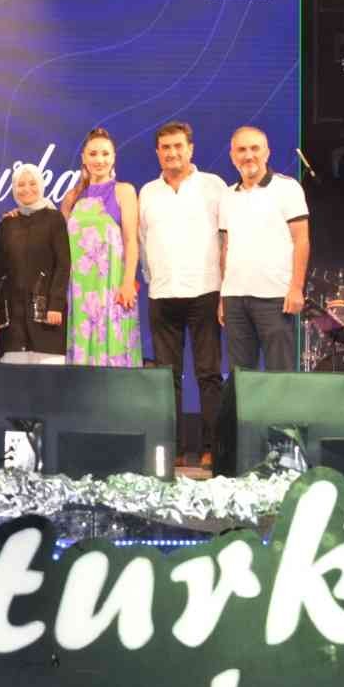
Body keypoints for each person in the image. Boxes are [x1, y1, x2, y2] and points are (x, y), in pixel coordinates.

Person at [139, 121, 227, 467]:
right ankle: (172, 450)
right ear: (157, 152)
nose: (172, 153)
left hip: (205, 290)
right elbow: (142, 241)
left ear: (191, 148)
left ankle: (211, 449)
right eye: (165, 147)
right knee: (167, 377)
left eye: (178, 146)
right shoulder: (148, 192)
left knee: (208, 374)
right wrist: (150, 278)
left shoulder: (213, 186)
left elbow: (227, 238)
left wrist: (225, 289)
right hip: (162, 293)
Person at [218, 125, 309, 373]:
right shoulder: (227, 195)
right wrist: (222, 297)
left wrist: (296, 288)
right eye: (241, 150)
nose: (248, 155)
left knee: (280, 375)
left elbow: (301, 240)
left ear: (267, 152)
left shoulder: (287, 188)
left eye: (254, 148)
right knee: (240, 376)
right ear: (232, 156)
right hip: (235, 298)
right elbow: (226, 248)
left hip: (275, 297)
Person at [61, 128, 140, 367]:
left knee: (114, 350)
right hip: (79, 290)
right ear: (83, 158)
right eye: (93, 154)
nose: (99, 160)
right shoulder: (71, 197)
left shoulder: (124, 191)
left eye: (105, 154)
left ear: (113, 157)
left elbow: (131, 240)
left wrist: (128, 282)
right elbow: (58, 241)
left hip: (112, 286)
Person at [0, 164, 70, 365]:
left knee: (48, 378)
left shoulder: (54, 219)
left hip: (47, 315)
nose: (27, 189)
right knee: (16, 380)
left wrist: (56, 305)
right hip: (13, 320)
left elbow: (63, 264)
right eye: (21, 184)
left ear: (41, 185)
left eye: (32, 183)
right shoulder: (6, 224)